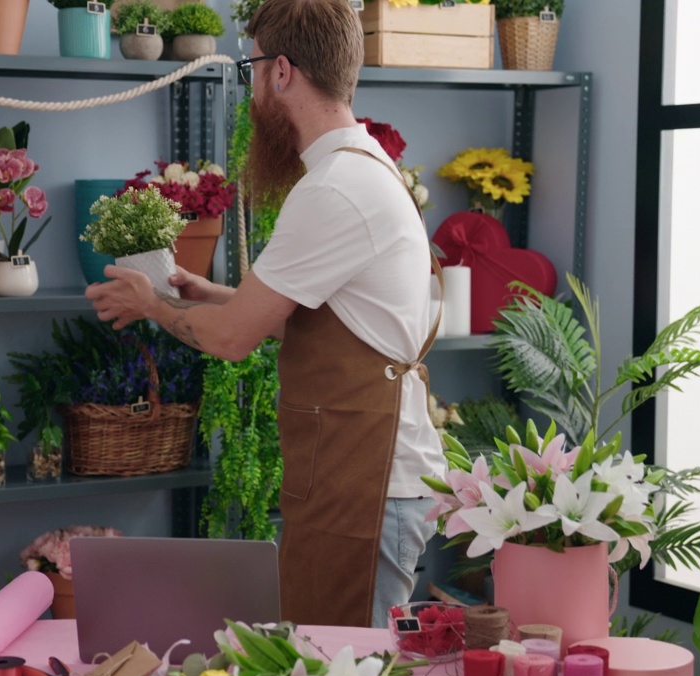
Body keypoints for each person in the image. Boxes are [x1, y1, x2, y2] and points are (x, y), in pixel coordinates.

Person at [83, 0, 445, 628]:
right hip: (358, 478)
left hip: (367, 486)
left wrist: (152, 305)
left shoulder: (333, 189)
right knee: (330, 670)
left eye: (251, 70)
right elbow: (312, 320)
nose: (250, 94)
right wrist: (201, 291)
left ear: (281, 72)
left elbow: (229, 341)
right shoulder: (360, 168)